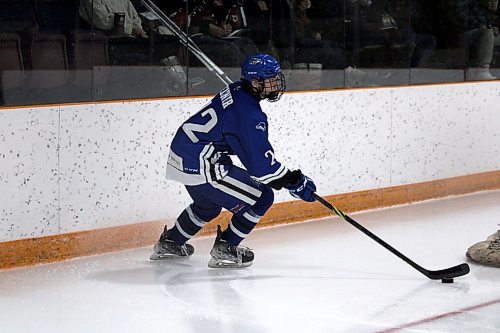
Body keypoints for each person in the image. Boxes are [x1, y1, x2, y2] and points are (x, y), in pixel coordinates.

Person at [150, 53, 317, 268]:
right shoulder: (249, 115)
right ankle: (227, 248)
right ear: (255, 83)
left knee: (207, 206)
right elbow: (261, 168)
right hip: (201, 161)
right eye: (271, 80)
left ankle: (171, 243)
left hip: (183, 152)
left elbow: (237, 140)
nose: (276, 84)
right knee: (262, 198)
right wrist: (294, 181)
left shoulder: (238, 89)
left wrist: (285, 179)